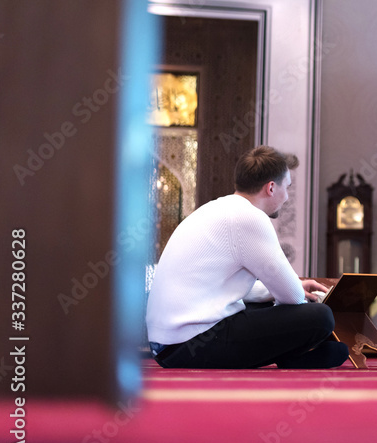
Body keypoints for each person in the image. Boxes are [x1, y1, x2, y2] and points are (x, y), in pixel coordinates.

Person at [146, 145, 349, 369]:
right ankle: (291, 355)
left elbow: (224, 288)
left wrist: (287, 290)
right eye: (287, 187)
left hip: (166, 346)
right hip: (192, 344)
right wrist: (299, 294)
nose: (287, 197)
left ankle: (290, 356)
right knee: (320, 317)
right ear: (271, 188)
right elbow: (291, 297)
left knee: (262, 305)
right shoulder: (250, 218)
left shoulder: (216, 209)